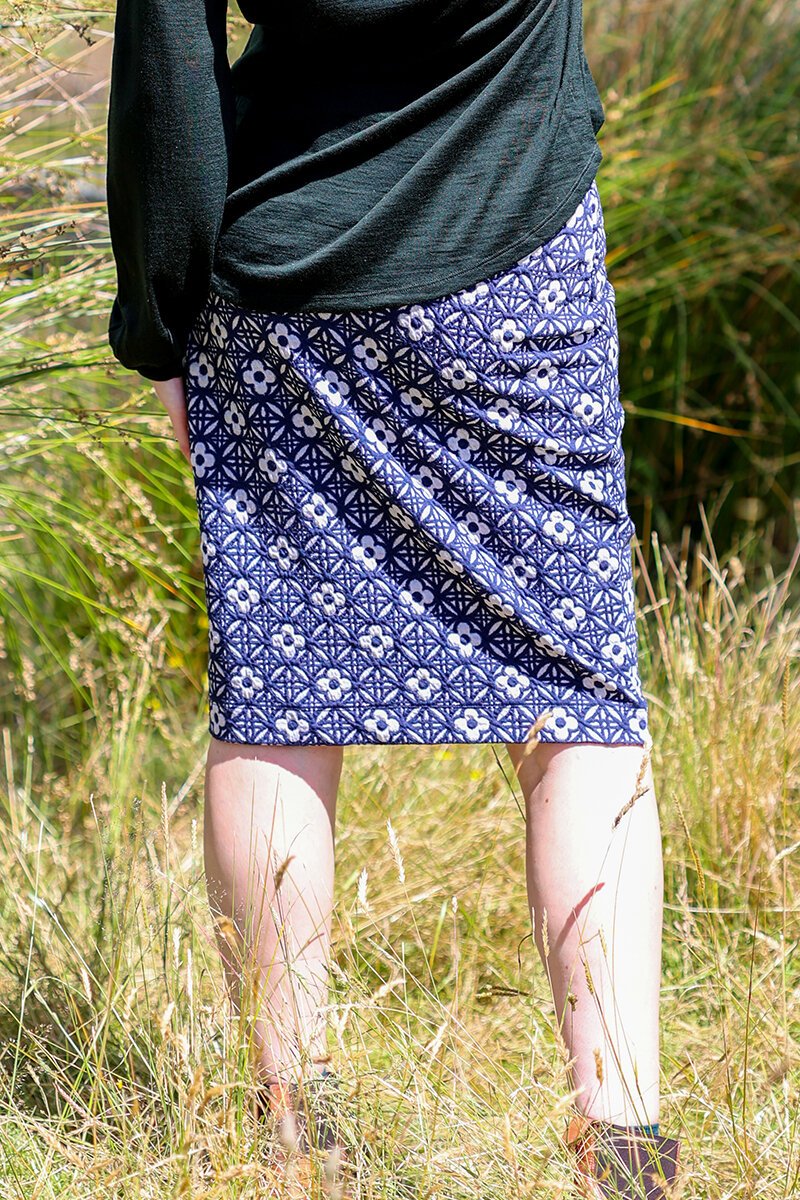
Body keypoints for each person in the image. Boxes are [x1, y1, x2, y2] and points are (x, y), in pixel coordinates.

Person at [105, 1, 682, 1194]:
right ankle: (622, 1144)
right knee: (574, 697)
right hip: (515, 268)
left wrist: (163, 323)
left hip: (285, 281)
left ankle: (293, 1135)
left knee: (280, 695)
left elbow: (169, 65)